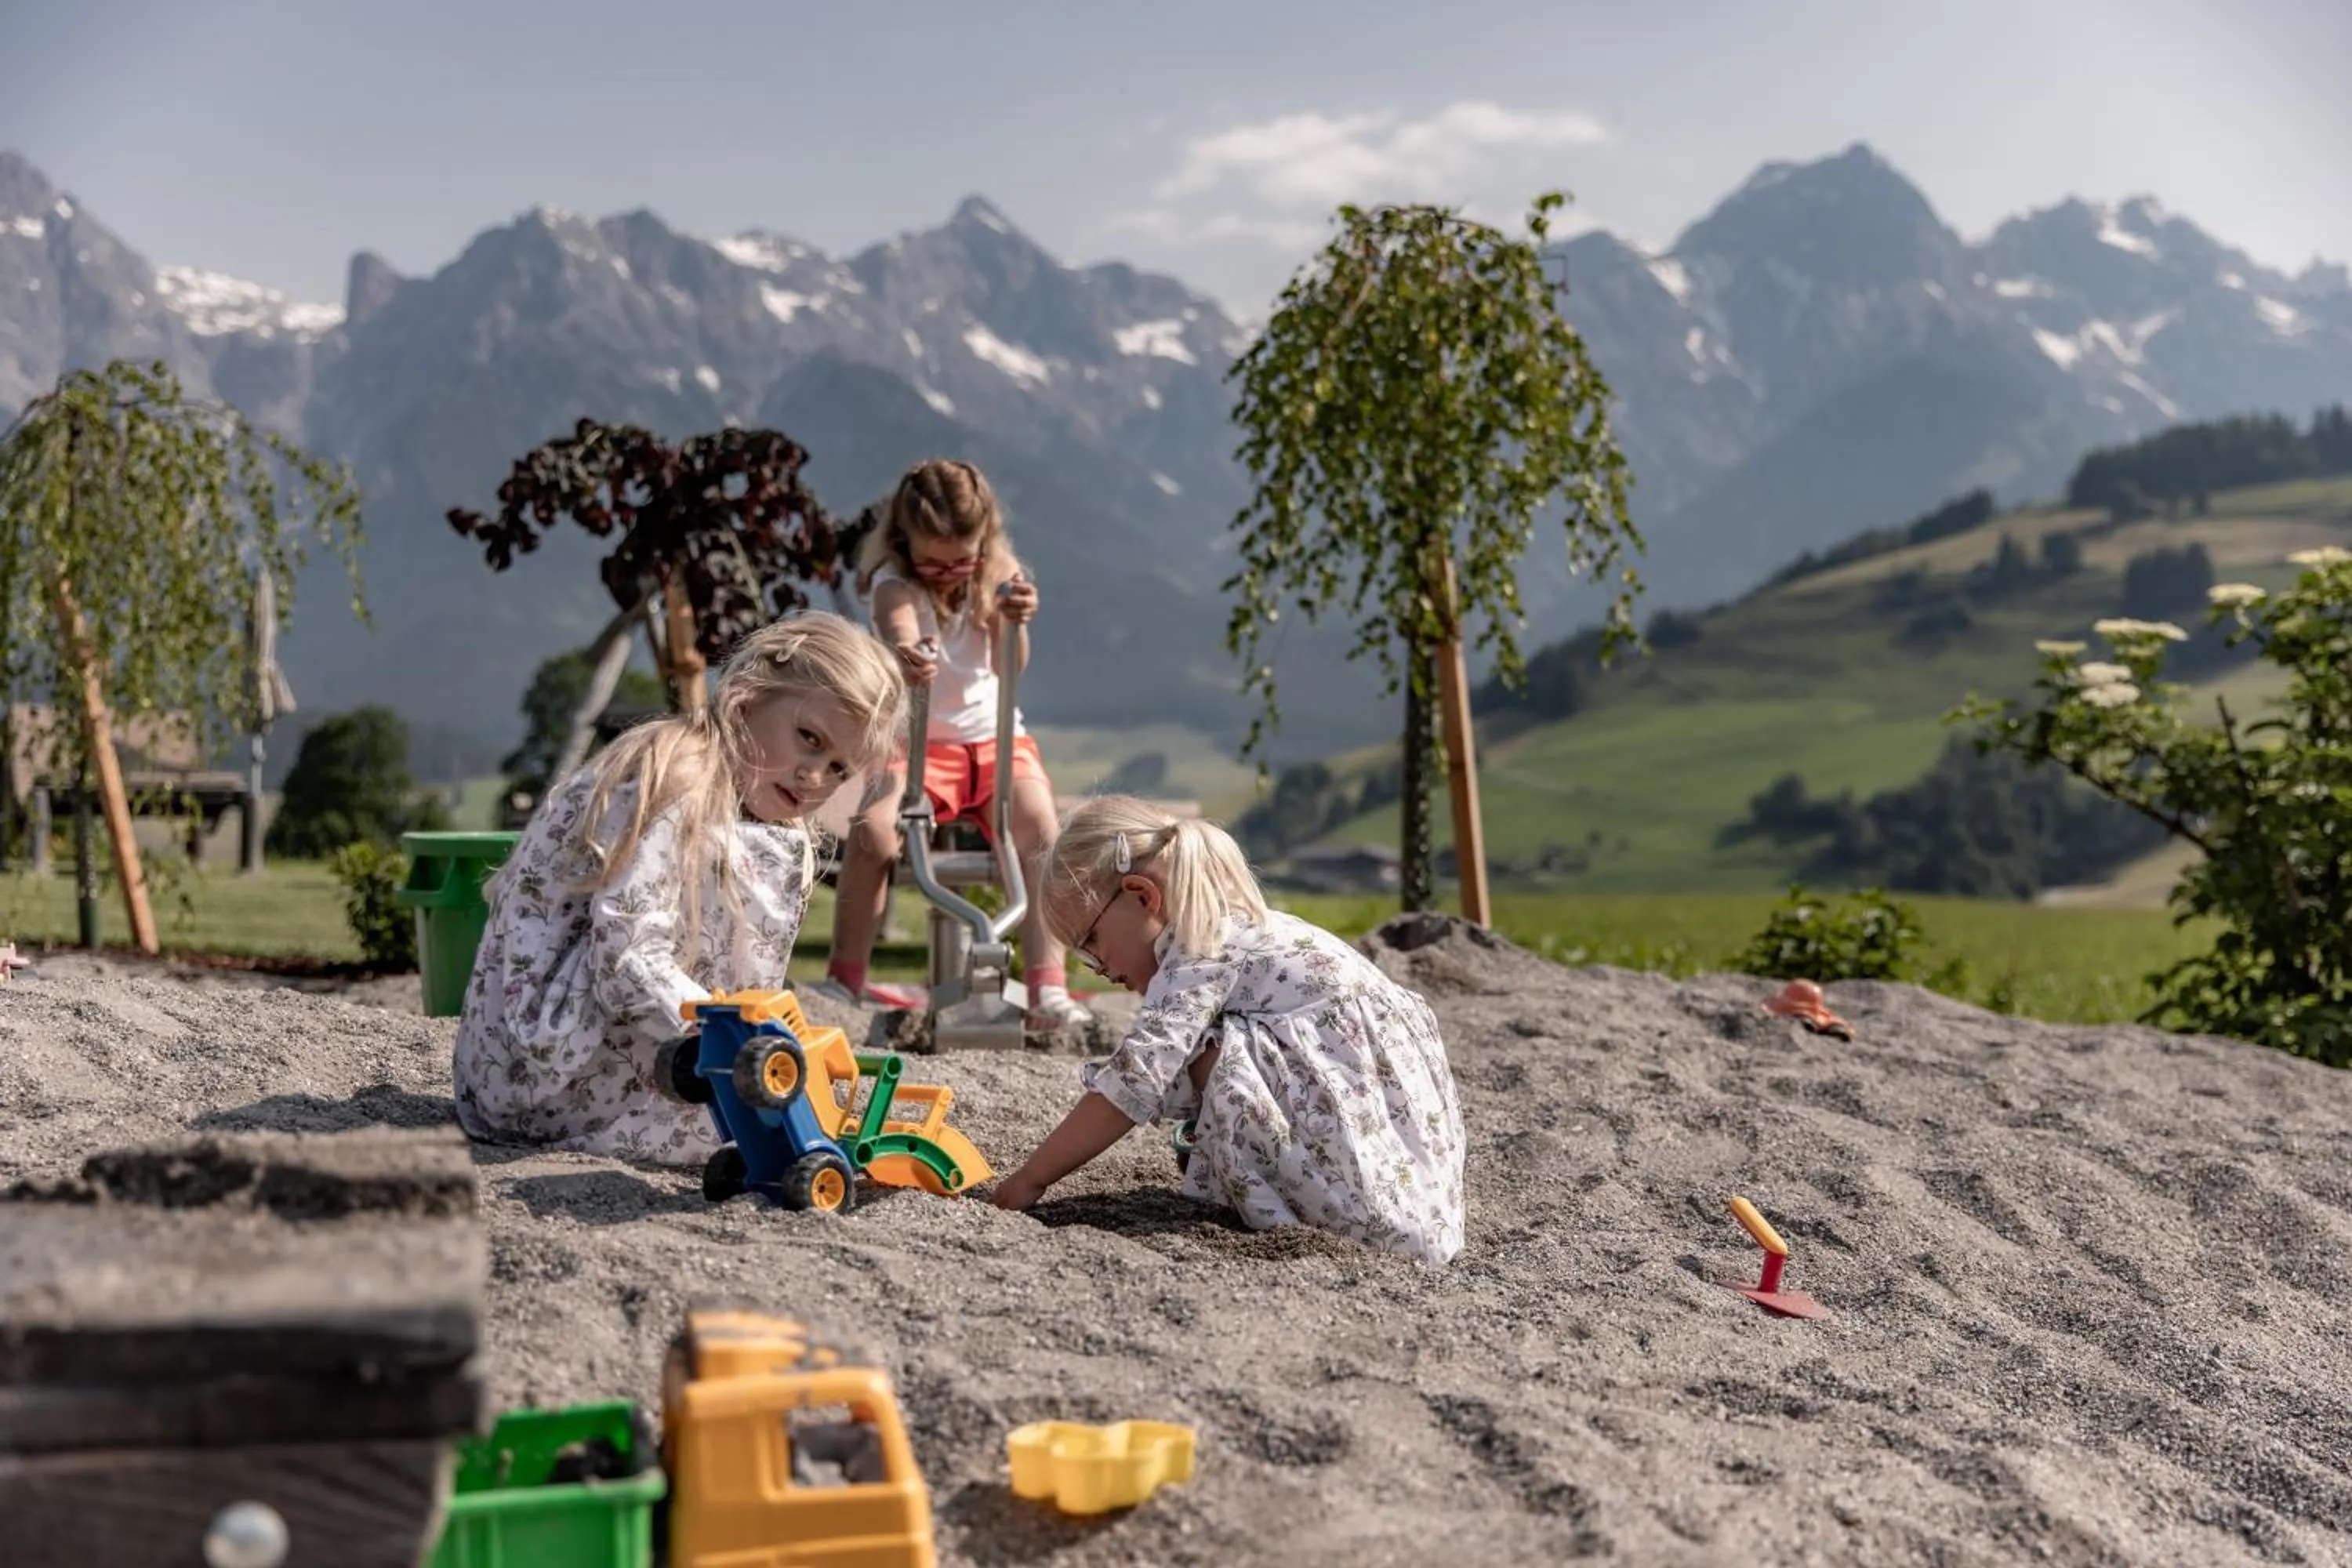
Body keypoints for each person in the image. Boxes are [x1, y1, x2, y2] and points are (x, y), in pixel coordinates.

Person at [452, 610, 904, 1163]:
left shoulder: (748, 800)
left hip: (529, 1074)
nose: (816, 777)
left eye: (838, 769)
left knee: (786, 849)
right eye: (809, 739)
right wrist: (741, 1041)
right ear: (749, 695)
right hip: (543, 1075)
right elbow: (627, 956)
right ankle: (718, 1070)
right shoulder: (678, 779)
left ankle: (719, 1068)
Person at [989, 795, 1468, 1266]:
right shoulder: (1231, 929)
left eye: (1091, 940)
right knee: (1202, 1047)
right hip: (1399, 1160)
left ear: (1142, 895)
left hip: (1370, 1201)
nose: (1096, 967)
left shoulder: (1200, 949)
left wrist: (1031, 1179)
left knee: (1205, 1054)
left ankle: (1320, 1207)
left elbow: (1132, 1083)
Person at [811, 457, 1094, 1031]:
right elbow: (899, 633)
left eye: (960, 560)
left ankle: (1047, 987)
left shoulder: (997, 573)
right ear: (903, 542)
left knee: (1041, 832)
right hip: (917, 746)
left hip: (993, 741)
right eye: (931, 562)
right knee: (873, 834)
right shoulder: (895, 583)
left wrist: (1012, 622)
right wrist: (909, 654)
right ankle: (845, 980)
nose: (946, 573)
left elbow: (1008, 664)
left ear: (982, 541)